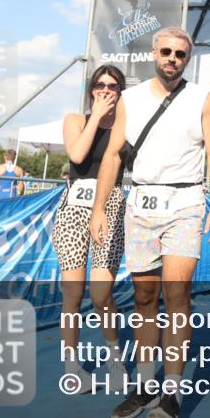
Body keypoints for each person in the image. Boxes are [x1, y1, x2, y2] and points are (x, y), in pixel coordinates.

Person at [93, 27, 210, 418]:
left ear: (188, 59)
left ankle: (172, 392)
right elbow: (114, 156)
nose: (172, 58)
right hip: (141, 203)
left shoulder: (202, 98)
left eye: (180, 54)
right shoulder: (130, 100)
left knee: (176, 293)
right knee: (144, 297)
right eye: (166, 51)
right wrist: (100, 207)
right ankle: (145, 384)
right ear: (154, 53)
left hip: (185, 203)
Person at [53, 65, 130, 393]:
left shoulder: (127, 126)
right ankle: (72, 368)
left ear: (121, 91)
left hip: (111, 206)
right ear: (90, 89)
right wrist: (96, 116)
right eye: (99, 84)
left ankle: (115, 360)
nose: (105, 89)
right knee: (72, 294)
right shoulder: (76, 120)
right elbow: (78, 153)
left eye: (112, 86)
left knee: (101, 294)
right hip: (73, 208)